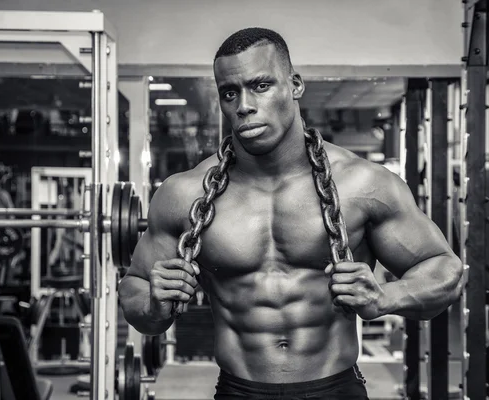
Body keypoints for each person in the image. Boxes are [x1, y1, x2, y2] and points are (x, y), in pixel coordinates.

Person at [119, 27, 464, 400]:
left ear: (295, 84)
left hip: (336, 389)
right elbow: (135, 295)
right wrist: (155, 303)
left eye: (261, 85)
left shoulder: (364, 185)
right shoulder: (182, 194)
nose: (244, 105)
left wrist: (384, 298)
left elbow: (446, 271)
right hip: (238, 391)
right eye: (230, 92)